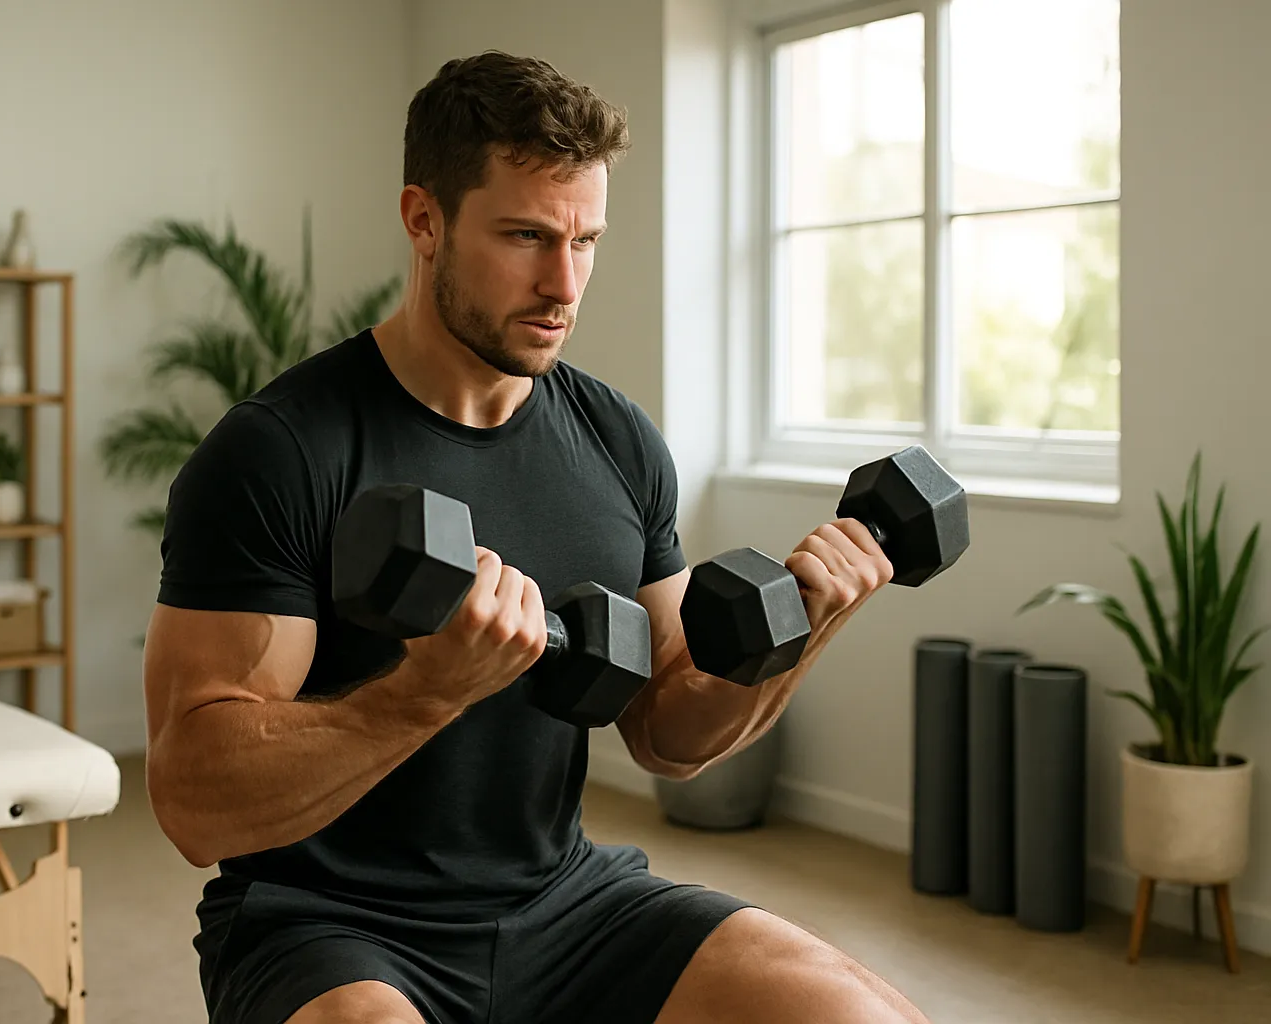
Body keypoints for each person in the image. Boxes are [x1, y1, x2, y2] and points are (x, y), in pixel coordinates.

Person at [143, 50, 930, 1024]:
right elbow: (193, 802)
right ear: (423, 219)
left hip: (567, 904)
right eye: (526, 236)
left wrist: (808, 625)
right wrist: (424, 692)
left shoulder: (619, 442)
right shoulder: (281, 450)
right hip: (327, 922)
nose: (564, 284)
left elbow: (668, 733)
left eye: (585, 240)